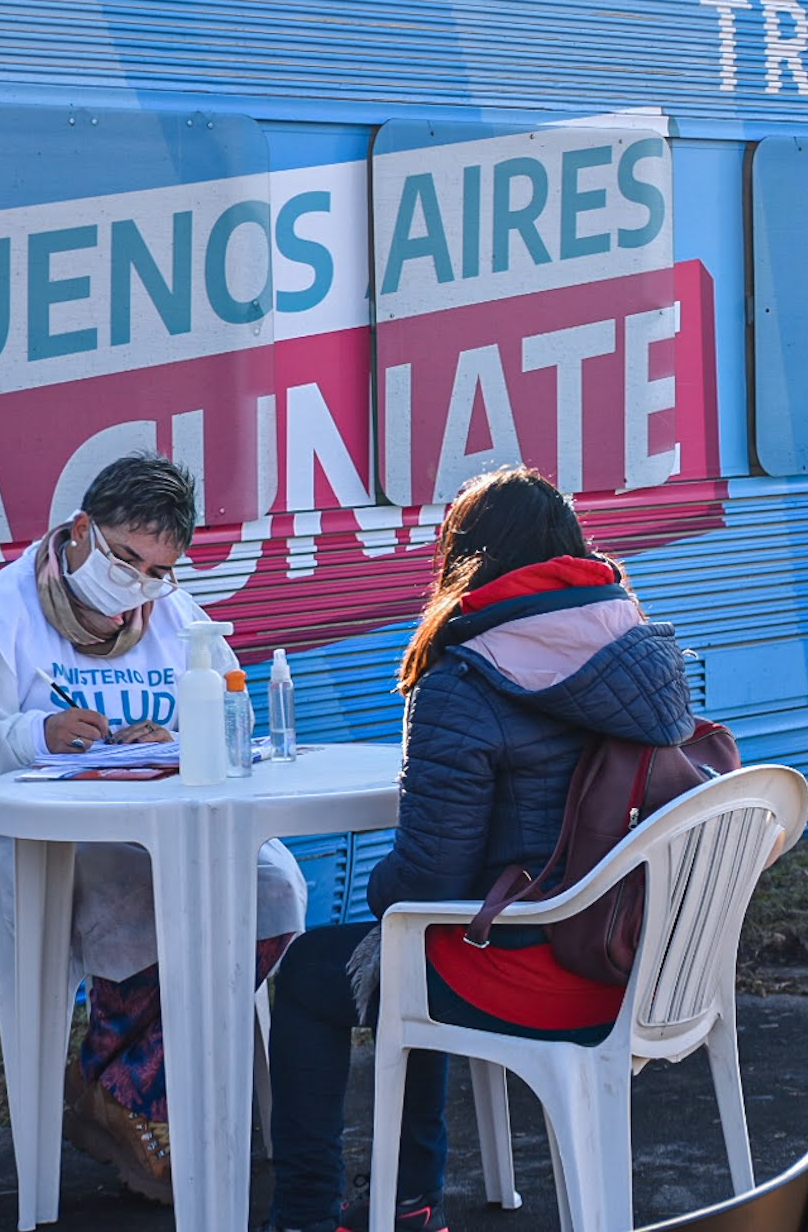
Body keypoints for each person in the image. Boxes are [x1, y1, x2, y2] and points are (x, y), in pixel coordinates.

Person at [259, 466, 698, 1232]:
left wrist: (385, 897)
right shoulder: (640, 649)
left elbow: (427, 878)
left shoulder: (466, 674)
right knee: (417, 938)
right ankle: (408, 1201)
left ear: (466, 560)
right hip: (650, 958)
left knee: (326, 965)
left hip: (544, 971)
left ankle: (304, 1214)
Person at [0, 454, 307, 1204]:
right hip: (26, 860)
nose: (137, 588)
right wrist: (32, 735)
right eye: (125, 558)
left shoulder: (174, 615)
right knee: (147, 888)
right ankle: (142, 1103)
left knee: (269, 882)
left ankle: (115, 1090)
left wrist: (180, 738)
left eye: (158, 571)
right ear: (82, 531)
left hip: (146, 834)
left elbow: (228, 716)